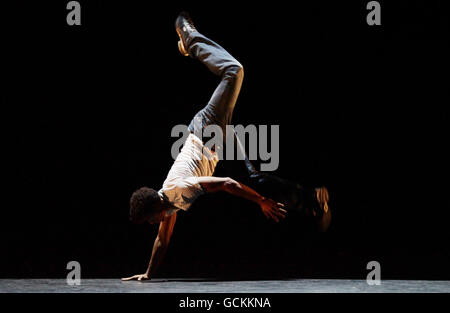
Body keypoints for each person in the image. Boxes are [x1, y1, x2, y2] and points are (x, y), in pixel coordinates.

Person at [122, 12, 329, 281]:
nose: (153, 224)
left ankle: (186, 33)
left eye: (150, 220)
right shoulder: (169, 206)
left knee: (234, 71)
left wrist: (260, 202)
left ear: (155, 209)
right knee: (256, 177)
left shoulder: (177, 188)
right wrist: (149, 273)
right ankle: (313, 201)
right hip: (216, 143)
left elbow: (227, 183)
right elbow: (163, 240)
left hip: (206, 129)